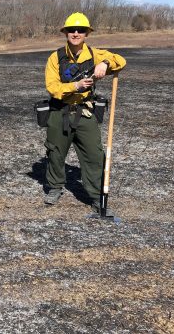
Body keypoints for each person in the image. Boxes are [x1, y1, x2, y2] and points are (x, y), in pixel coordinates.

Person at [42, 12, 126, 214]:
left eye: (81, 30)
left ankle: (97, 196)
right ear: (66, 33)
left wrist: (105, 64)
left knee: (94, 155)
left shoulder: (95, 54)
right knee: (55, 152)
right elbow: (52, 86)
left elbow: (121, 61)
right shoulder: (55, 57)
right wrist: (75, 86)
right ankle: (54, 187)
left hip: (85, 113)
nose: (76, 33)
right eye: (72, 30)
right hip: (59, 111)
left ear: (87, 33)